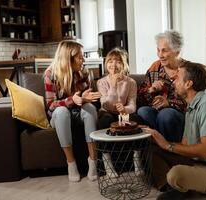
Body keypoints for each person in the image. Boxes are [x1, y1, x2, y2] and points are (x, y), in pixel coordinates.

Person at [144, 62, 206, 198]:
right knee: (150, 149)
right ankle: (175, 187)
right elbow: (185, 146)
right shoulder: (191, 108)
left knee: (176, 174)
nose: (173, 80)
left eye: (178, 77)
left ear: (188, 84)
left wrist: (167, 145)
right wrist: (159, 141)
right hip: (201, 163)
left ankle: (183, 186)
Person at [44, 40, 101, 182]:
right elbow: (51, 105)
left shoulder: (83, 73)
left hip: (78, 112)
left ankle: (93, 161)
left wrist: (84, 98)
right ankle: (71, 163)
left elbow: (85, 98)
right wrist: (71, 100)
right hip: (58, 116)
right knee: (62, 111)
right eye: (80, 57)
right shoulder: (50, 74)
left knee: (89, 108)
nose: (83, 60)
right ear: (68, 58)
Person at [97, 48, 143, 177]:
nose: (113, 64)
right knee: (104, 120)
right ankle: (107, 163)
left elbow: (132, 105)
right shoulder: (101, 82)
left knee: (135, 119)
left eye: (118, 61)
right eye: (110, 61)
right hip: (107, 112)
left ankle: (136, 157)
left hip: (123, 113)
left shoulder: (131, 82)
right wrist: (113, 85)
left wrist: (124, 110)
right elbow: (105, 103)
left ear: (123, 65)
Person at [137, 30, 187, 142]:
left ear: (177, 51)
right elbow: (140, 97)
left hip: (179, 115)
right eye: (158, 50)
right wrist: (151, 89)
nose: (160, 55)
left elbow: (194, 101)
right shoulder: (155, 67)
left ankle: (170, 150)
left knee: (166, 114)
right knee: (143, 111)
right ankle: (160, 145)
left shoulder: (188, 70)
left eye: (164, 51)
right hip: (157, 113)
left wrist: (169, 103)